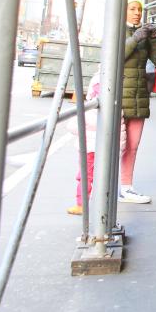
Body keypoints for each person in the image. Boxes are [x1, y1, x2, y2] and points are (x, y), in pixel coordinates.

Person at [120, 0, 156, 204]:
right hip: (119, 96)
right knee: (116, 145)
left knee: (133, 144)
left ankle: (126, 187)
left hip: (139, 96)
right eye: (132, 9)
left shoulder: (143, 36)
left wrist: (155, 39)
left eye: (139, 9)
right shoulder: (117, 30)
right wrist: (136, 37)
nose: (137, 13)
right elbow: (116, 55)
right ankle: (107, 185)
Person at [66, 71, 101, 215]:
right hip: (95, 144)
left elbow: (73, 126)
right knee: (94, 174)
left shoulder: (92, 111)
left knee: (85, 175)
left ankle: (82, 204)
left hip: (90, 145)